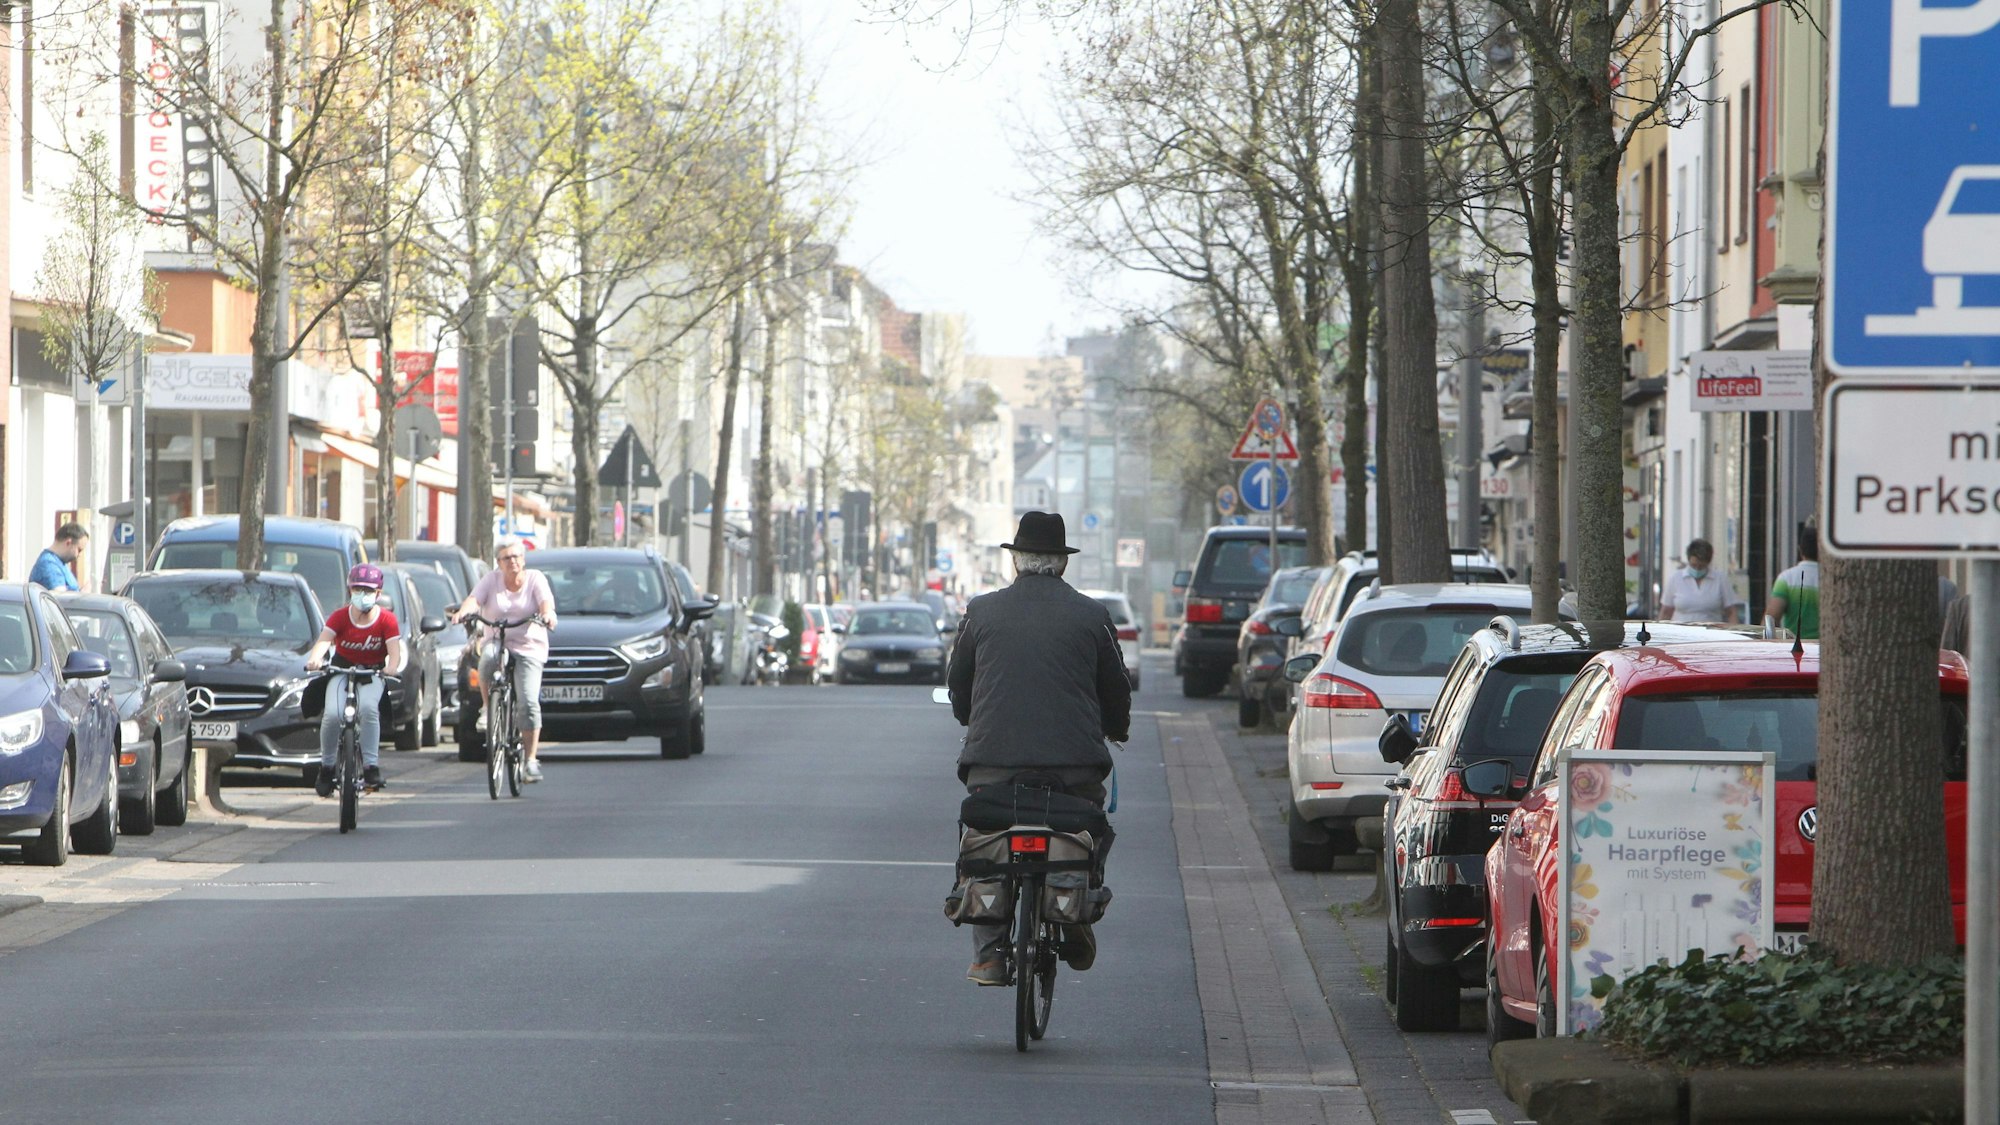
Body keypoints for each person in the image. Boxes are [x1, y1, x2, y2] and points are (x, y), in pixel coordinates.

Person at [946, 511, 1132, 985]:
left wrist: (972, 719)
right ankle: (1075, 915)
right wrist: (1117, 729)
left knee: (985, 842)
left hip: (992, 766)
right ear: (1062, 564)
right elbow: (1116, 689)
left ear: (1016, 561)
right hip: (1073, 771)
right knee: (1087, 835)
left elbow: (959, 683)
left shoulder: (981, 611)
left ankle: (988, 955)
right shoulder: (1093, 616)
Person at [450, 538, 559, 781]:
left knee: (529, 702)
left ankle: (530, 760)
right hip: (497, 640)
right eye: (506, 558)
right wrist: (463, 612)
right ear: (498, 563)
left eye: (516, 557)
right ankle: (488, 709)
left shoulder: (535, 579)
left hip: (528, 644)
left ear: (523, 559)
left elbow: (545, 603)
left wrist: (547, 615)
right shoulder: (491, 580)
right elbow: (474, 599)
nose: (512, 562)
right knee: (487, 658)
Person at [305, 565, 406, 794]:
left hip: (372, 675)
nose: (362, 594)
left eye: (368, 590)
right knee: (332, 714)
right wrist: (315, 660)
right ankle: (327, 767)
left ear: (378, 594)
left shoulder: (387, 620)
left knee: (370, 709)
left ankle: (371, 766)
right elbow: (324, 641)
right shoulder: (340, 616)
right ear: (350, 590)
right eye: (358, 588)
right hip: (341, 672)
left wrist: (391, 667)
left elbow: (394, 651)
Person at [1660, 538, 1740, 624]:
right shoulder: (1675, 578)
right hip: (1681, 632)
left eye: (1701, 566)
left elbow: (1731, 612)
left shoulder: (1720, 579)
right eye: (1694, 565)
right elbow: (1666, 612)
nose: (1697, 569)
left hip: (1711, 632)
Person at [1764, 524, 1821, 641]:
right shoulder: (1832, 581)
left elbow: (1771, 619)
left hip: (1795, 647)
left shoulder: (1787, 579)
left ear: (1800, 550)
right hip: (1822, 648)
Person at [30, 523, 87, 592]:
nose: (79, 555)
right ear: (68, 543)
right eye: (79, 550)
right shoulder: (48, 564)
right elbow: (60, 597)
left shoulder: (59, 562)